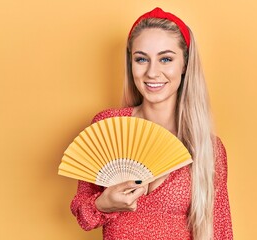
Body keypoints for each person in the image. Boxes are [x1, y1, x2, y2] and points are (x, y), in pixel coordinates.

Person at [70, 7, 233, 240]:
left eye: (165, 59)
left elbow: (221, 232)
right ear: (131, 63)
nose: (152, 72)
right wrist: (103, 204)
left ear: (185, 64)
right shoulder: (109, 127)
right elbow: (82, 215)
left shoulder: (209, 149)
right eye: (141, 59)